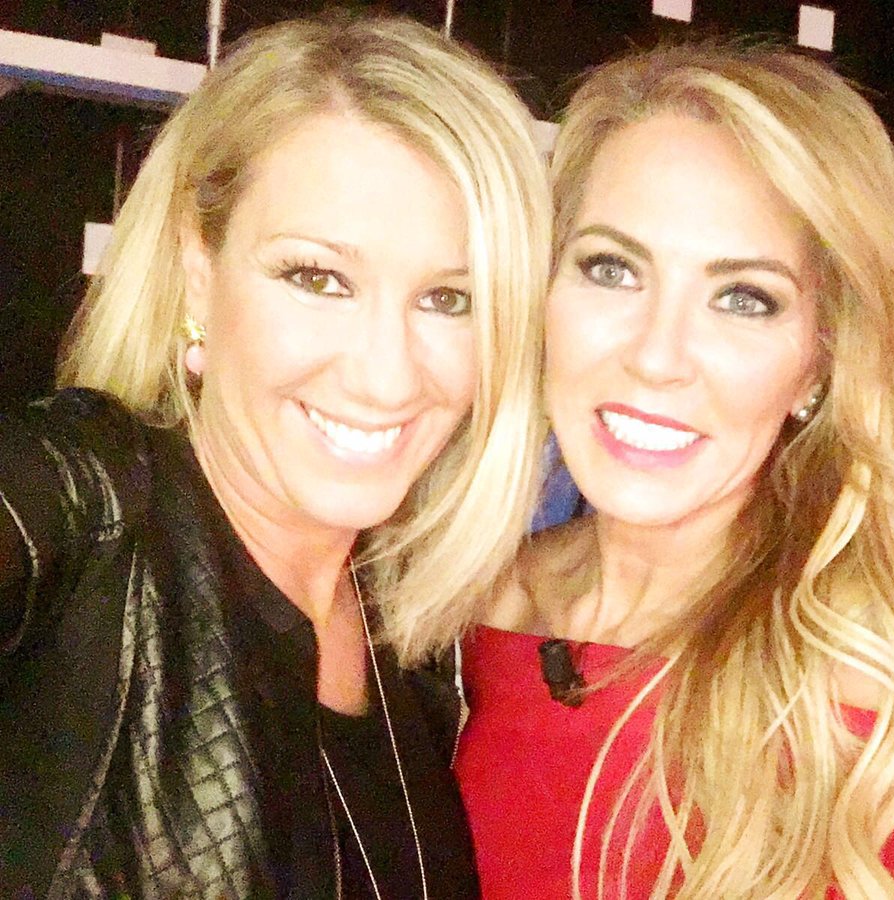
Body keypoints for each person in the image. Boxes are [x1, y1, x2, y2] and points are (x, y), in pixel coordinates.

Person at [454, 44, 894, 899]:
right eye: (611, 269)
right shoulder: (468, 610)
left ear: (819, 362)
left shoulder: (889, 694)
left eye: (745, 298)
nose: (657, 357)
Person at [0, 13, 550, 898]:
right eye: (318, 278)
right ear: (199, 268)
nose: (384, 376)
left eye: (449, 299)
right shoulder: (78, 503)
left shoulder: (422, 645)